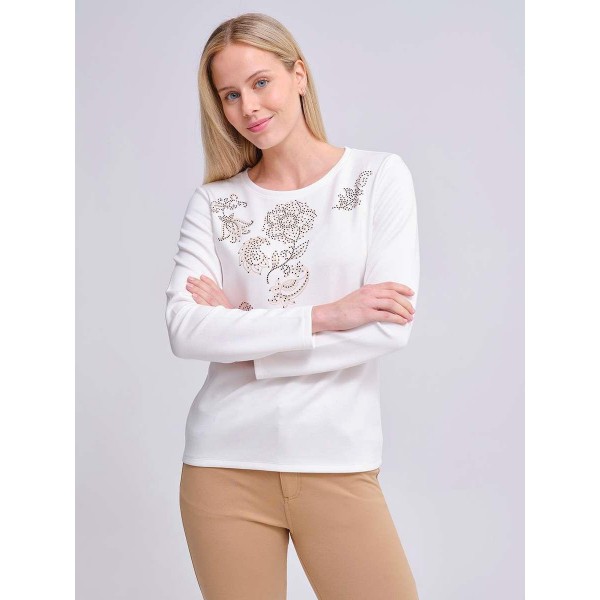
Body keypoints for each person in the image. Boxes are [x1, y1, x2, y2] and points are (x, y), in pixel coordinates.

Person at [165, 12, 421, 600]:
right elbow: (185, 329)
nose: (248, 107)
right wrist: (325, 316)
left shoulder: (377, 178)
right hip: (223, 465)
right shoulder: (214, 203)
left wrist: (243, 334)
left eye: (261, 82)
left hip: (336, 459)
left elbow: (389, 328)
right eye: (230, 95)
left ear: (298, 75)